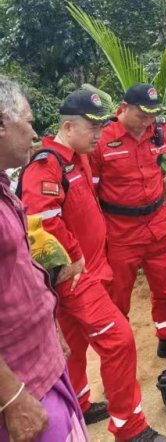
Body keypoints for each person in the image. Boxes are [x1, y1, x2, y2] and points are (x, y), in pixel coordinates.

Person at [21, 89, 166, 442]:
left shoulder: (78, 158)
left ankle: (80, 402)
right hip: (74, 276)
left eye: (102, 128)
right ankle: (130, 428)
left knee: (74, 341)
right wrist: (75, 256)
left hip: (93, 267)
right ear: (68, 127)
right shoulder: (46, 165)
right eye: (93, 128)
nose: (99, 136)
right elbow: (41, 223)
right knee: (119, 340)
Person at [0, 76, 87, 442]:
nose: (35, 133)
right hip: (20, 384)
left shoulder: (4, 187)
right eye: (29, 121)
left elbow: (22, 269)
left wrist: (52, 334)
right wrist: (11, 397)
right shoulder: (45, 166)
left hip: (39, 364)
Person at [91, 83, 166, 359]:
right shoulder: (102, 139)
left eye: (152, 115)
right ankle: (117, 348)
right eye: (142, 115)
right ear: (124, 108)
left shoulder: (159, 131)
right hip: (120, 231)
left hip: (158, 224)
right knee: (117, 294)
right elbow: (89, 188)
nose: (147, 121)